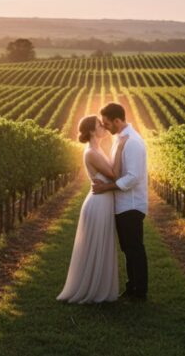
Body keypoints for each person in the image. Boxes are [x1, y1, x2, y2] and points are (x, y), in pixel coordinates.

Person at [57, 115, 127, 303]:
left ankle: (98, 288)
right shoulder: (91, 153)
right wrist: (120, 148)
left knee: (101, 245)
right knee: (97, 245)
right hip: (98, 204)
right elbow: (114, 175)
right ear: (91, 131)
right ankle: (93, 290)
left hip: (102, 201)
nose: (103, 126)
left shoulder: (96, 150)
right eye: (99, 125)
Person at [91, 102, 149, 301]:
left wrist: (106, 187)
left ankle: (139, 291)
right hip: (123, 204)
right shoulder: (120, 139)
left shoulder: (132, 141)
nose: (105, 127)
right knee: (128, 248)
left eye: (107, 123)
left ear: (117, 120)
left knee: (134, 248)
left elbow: (133, 177)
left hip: (131, 204)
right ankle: (132, 287)